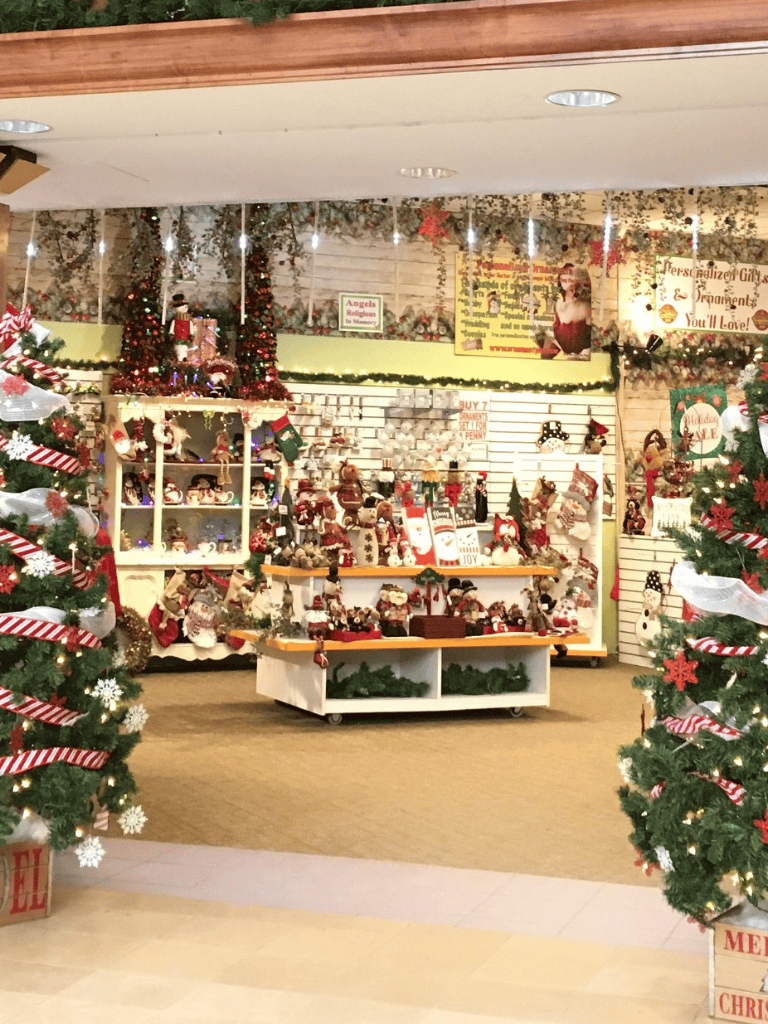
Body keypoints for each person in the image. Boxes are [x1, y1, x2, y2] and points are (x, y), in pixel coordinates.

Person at [552, 263, 592, 359]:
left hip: (582, 346)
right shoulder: (559, 303)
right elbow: (558, 322)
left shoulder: (585, 304)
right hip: (563, 343)